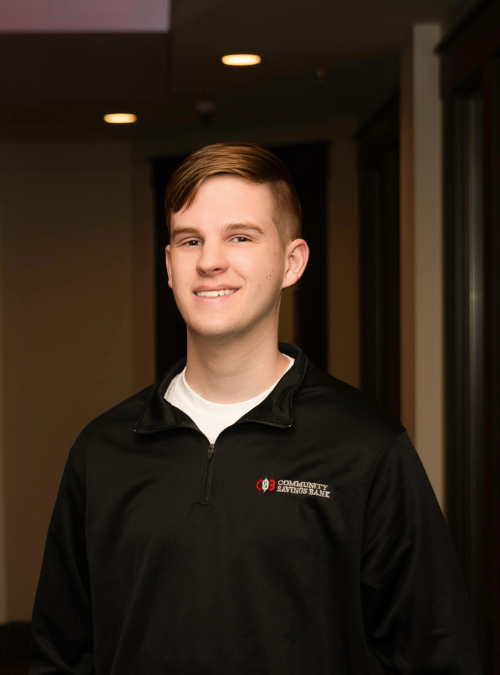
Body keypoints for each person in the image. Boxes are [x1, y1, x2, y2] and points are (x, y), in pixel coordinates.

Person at [30, 142, 482, 674]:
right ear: (170, 265)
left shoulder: (366, 448)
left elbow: (436, 656)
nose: (211, 260)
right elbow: (59, 658)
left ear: (293, 262)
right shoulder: (102, 452)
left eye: (240, 237)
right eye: (190, 240)